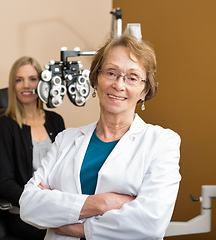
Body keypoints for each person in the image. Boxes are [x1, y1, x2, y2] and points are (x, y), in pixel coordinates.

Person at [19, 34, 181, 240]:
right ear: (95, 80)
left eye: (132, 77)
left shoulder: (162, 142)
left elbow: (150, 223)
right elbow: (29, 205)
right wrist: (102, 203)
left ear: (145, 90)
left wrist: (79, 228)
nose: (119, 85)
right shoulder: (65, 140)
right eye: (111, 73)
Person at [0, 56, 65, 239]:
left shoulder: (56, 121)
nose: (26, 85)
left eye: (32, 79)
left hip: (56, 207)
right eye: (19, 80)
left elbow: (65, 168)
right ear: (13, 86)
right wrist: (37, 202)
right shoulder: (5, 126)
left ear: (42, 83)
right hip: (25, 212)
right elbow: (4, 183)